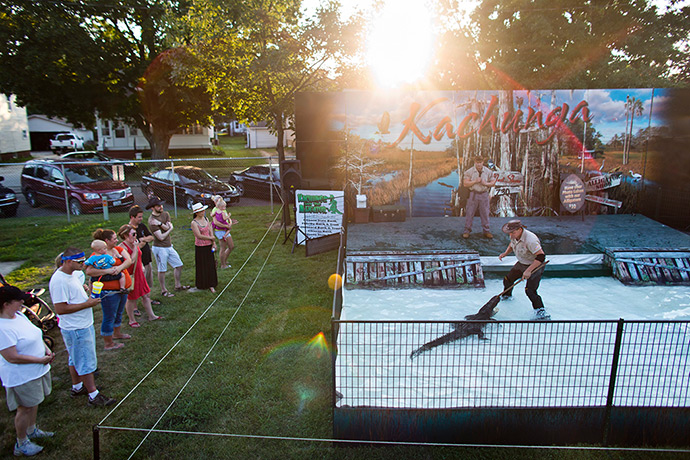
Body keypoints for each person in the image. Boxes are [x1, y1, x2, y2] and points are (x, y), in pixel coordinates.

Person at [48, 247, 116, 407]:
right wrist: (89, 303)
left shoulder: (71, 275)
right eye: (79, 262)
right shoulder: (59, 280)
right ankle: (93, 395)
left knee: (74, 357)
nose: (83, 265)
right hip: (76, 327)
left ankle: (77, 387)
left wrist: (86, 294)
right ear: (68, 262)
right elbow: (60, 309)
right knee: (85, 360)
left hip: (81, 324)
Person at [0, 285, 55, 457]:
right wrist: (40, 360)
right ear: (6, 304)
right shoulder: (2, 328)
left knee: (33, 403)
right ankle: (21, 442)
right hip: (22, 376)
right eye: (18, 300)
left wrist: (46, 349)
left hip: (37, 369)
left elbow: (36, 334)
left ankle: (32, 430)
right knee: (25, 408)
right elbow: (12, 357)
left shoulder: (18, 315)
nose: (23, 303)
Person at [86, 229, 133, 350]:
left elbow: (128, 260)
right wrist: (107, 271)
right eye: (114, 239)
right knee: (109, 316)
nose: (117, 240)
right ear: (106, 241)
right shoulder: (96, 255)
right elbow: (89, 271)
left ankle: (117, 333)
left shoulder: (118, 250)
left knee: (119, 312)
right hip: (109, 292)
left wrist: (119, 268)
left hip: (121, 289)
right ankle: (108, 343)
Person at [498, 220, 550, 320]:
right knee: (507, 280)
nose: (511, 235)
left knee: (530, 291)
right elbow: (512, 244)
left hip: (535, 265)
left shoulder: (530, 239)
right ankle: (506, 297)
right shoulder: (513, 235)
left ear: (520, 229)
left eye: (513, 232)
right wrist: (505, 253)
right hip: (522, 262)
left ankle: (541, 313)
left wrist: (529, 271)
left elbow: (541, 257)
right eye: (510, 233)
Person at [118, 224, 162, 327]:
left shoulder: (135, 243)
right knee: (131, 299)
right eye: (133, 234)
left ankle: (151, 316)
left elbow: (139, 257)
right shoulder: (121, 248)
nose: (135, 236)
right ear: (125, 235)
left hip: (139, 273)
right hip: (130, 275)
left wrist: (141, 265)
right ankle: (131, 320)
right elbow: (130, 261)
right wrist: (135, 247)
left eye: (136, 234)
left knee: (146, 295)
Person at [146, 195, 190, 297]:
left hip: (169, 246)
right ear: (152, 208)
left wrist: (161, 224)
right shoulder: (152, 221)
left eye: (161, 205)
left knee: (179, 265)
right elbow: (160, 237)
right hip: (159, 248)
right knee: (162, 269)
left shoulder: (165, 214)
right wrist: (169, 229)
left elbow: (166, 228)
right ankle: (163, 290)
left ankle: (177, 285)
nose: (161, 207)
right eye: (158, 206)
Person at [128, 205, 159, 306]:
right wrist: (141, 243)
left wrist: (144, 239)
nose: (141, 219)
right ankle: (134, 306)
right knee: (137, 284)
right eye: (139, 217)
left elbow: (151, 237)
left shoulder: (142, 226)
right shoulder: (128, 230)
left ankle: (147, 300)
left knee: (147, 281)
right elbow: (134, 246)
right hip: (137, 261)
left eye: (141, 216)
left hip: (147, 258)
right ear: (132, 217)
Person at [462, 156, 497, 239]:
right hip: (473, 194)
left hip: (484, 194)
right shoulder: (469, 171)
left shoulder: (488, 171)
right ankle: (467, 231)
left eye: (480, 162)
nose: (478, 164)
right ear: (474, 162)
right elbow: (465, 184)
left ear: (482, 162)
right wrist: (474, 181)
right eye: (477, 162)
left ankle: (486, 231)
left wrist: (486, 184)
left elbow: (493, 183)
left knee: (485, 213)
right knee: (469, 213)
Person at [190, 202, 218, 293]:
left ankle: (211, 283)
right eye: (201, 211)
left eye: (203, 210)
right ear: (196, 213)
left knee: (210, 264)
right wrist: (210, 238)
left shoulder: (206, 219)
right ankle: (202, 284)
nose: (203, 212)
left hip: (208, 244)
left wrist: (213, 242)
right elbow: (198, 235)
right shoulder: (194, 223)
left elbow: (210, 231)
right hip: (200, 246)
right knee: (202, 265)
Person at [210, 195, 235, 269]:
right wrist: (227, 226)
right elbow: (216, 223)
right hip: (220, 231)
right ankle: (223, 265)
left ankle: (224, 260)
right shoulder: (215, 210)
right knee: (223, 248)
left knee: (231, 246)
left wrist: (230, 223)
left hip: (225, 230)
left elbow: (227, 218)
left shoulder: (223, 209)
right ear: (215, 202)